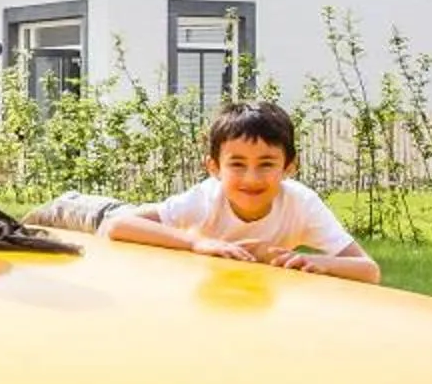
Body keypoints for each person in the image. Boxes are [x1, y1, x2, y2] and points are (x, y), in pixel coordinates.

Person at [99, 99, 379, 281]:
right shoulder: (206, 198)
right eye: (237, 164)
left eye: (267, 164)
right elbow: (119, 224)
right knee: (71, 212)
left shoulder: (301, 203)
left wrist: (317, 262)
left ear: (290, 166)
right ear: (214, 168)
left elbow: (368, 270)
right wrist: (195, 242)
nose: (251, 178)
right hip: (102, 213)